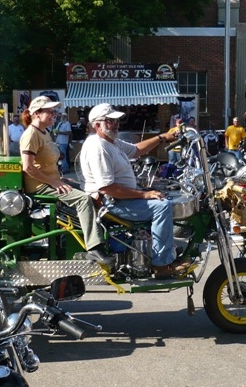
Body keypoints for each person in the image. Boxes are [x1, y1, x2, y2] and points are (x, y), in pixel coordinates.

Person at [78, 103, 187, 279]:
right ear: (97, 125)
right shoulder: (98, 147)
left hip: (122, 198)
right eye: (110, 121)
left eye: (116, 120)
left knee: (163, 194)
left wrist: (163, 137)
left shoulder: (111, 142)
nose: (116, 124)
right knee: (162, 206)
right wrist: (144, 194)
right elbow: (107, 188)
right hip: (113, 202)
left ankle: (166, 248)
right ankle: (162, 265)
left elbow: (136, 150)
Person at [19, 96, 111, 264]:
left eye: (54, 111)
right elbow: (28, 167)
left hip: (51, 180)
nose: (54, 114)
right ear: (36, 114)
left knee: (90, 189)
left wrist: (59, 179)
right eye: (50, 111)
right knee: (83, 200)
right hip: (39, 186)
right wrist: (54, 182)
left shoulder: (45, 132)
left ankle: (96, 232)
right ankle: (94, 248)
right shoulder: (31, 135)